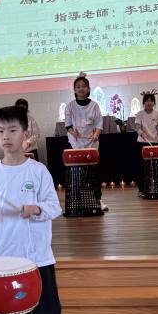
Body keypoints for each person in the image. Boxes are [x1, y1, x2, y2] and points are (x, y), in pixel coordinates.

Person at [0, 106, 66, 314]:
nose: (6, 136)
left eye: (12, 130)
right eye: (1, 131)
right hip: (1, 255)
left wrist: (37, 209)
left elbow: (54, 207)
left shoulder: (38, 171)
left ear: (25, 133)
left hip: (37, 257)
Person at [64, 72, 108, 211]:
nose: (81, 89)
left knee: (94, 172)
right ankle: (76, 200)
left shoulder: (94, 105)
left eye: (83, 86)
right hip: (76, 142)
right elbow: (68, 125)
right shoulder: (70, 106)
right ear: (74, 90)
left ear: (88, 89)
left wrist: (95, 135)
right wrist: (73, 132)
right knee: (77, 172)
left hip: (91, 142)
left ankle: (98, 200)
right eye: (78, 87)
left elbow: (99, 124)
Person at [135, 89, 158, 197]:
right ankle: (141, 189)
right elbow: (137, 127)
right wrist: (142, 133)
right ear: (144, 102)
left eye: (151, 100)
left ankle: (157, 186)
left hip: (155, 143)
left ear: (154, 103)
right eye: (147, 100)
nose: (149, 102)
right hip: (143, 143)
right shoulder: (139, 114)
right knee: (142, 167)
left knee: (156, 167)